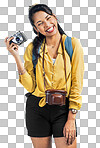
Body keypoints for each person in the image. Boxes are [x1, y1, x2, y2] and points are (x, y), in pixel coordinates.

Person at [4, 3, 84, 148]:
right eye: (40, 23)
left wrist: (71, 118)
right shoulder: (32, 48)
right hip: (37, 108)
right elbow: (31, 86)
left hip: (63, 109)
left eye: (48, 18)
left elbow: (76, 82)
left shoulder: (72, 44)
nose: (47, 25)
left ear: (54, 17)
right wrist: (16, 57)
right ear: (36, 29)